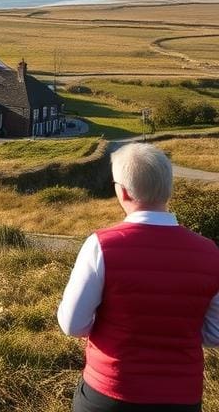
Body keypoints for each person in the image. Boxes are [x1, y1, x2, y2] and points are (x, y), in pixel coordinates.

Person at [57, 143, 219, 412]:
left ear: (122, 191)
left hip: (111, 390)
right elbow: (215, 334)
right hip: (181, 396)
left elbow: (72, 324)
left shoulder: (100, 246)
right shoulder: (210, 253)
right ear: (170, 188)